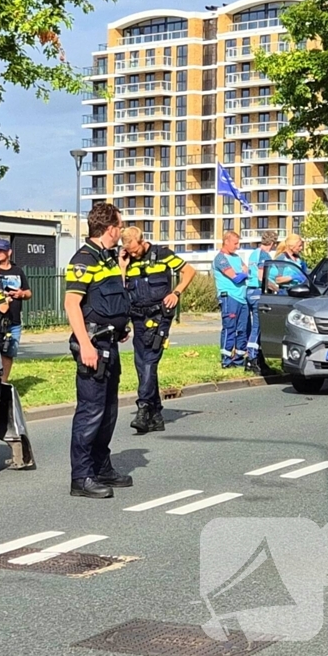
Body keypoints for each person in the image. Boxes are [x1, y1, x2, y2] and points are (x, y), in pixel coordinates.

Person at [63, 202, 134, 500]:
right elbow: (71, 304)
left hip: (109, 342)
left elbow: (109, 299)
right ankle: (81, 477)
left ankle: (101, 467)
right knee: (90, 412)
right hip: (92, 345)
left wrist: (120, 325)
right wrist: (85, 345)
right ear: (110, 228)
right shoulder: (84, 259)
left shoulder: (107, 259)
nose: (122, 231)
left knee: (107, 412)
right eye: (120, 226)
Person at [122, 226, 196, 433]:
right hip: (138, 317)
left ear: (142, 241)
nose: (133, 254)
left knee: (150, 359)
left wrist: (176, 293)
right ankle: (156, 415)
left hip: (159, 316)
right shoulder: (126, 260)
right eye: (129, 251)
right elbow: (120, 287)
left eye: (135, 250)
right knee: (141, 363)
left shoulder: (162, 254)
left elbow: (189, 271)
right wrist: (122, 265)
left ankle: (143, 407)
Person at [0, 239, 32, 383]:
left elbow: (29, 293)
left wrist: (21, 294)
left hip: (14, 321)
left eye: (1, 250)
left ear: (9, 252)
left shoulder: (17, 271)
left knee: (9, 353)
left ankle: (3, 382)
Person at [244, 230, 279, 375]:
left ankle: (258, 358)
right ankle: (252, 359)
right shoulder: (264, 255)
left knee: (257, 327)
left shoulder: (254, 253)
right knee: (258, 327)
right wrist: (275, 288)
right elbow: (261, 276)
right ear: (272, 243)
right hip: (258, 292)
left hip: (251, 292)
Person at [213, 230, 249, 369]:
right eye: (235, 243)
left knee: (242, 330)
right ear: (226, 242)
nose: (238, 246)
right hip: (229, 297)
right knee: (230, 328)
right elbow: (236, 277)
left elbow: (247, 271)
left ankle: (239, 359)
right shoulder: (220, 259)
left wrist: (243, 273)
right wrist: (243, 273)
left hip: (242, 298)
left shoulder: (237, 257)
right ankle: (226, 360)